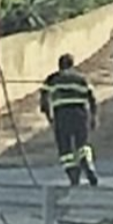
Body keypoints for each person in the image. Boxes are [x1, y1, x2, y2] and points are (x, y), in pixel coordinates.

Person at [39, 54, 98, 186]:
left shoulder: (52, 79)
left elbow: (44, 100)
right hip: (80, 114)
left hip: (62, 115)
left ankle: (73, 175)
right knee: (82, 144)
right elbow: (92, 98)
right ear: (73, 65)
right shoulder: (81, 79)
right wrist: (93, 116)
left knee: (65, 149)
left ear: (59, 66)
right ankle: (87, 164)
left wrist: (49, 117)